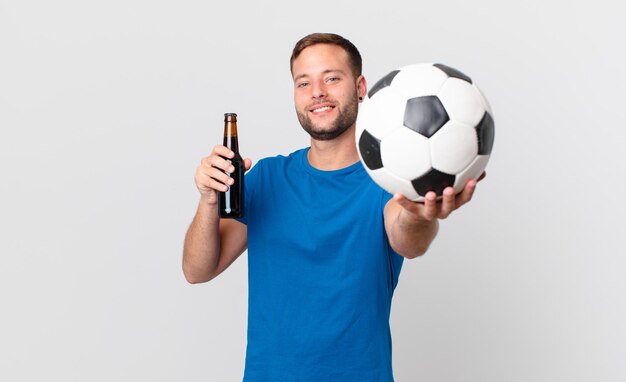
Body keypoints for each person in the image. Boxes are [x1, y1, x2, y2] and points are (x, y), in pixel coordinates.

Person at [183, 33, 482, 381]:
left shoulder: (388, 181)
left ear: (360, 87)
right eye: (303, 82)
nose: (317, 92)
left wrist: (419, 211)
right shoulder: (265, 178)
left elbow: (408, 241)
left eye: (332, 78)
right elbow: (198, 270)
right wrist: (207, 200)